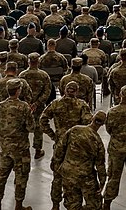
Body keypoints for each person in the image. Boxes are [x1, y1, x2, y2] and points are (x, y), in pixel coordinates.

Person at [40, 82, 93, 210]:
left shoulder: (55, 104)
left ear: (64, 90)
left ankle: (55, 205)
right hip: (77, 145)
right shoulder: (82, 105)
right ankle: (74, 202)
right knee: (76, 174)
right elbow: (89, 123)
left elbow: (43, 120)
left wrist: (53, 135)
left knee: (57, 176)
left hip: (60, 144)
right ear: (76, 91)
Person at [0, 79, 34, 210]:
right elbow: (31, 128)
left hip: (5, 148)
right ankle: (18, 205)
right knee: (21, 177)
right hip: (21, 149)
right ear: (18, 91)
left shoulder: (0, 106)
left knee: (1, 176)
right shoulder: (24, 106)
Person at [53, 110, 107, 210]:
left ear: (92, 118)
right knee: (95, 204)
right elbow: (100, 165)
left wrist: (57, 165)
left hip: (68, 173)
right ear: (103, 124)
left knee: (72, 204)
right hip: (85, 176)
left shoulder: (75, 129)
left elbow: (60, 148)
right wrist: (102, 181)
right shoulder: (97, 141)